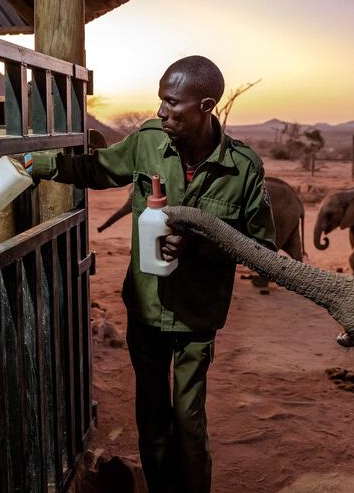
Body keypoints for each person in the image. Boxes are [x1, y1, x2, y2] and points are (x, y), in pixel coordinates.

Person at [27, 55, 276, 493]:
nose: (160, 111)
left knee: (189, 420)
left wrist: (200, 245)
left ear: (205, 105)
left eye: (171, 102)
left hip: (197, 317)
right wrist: (39, 165)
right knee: (152, 419)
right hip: (145, 308)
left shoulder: (244, 168)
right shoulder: (146, 141)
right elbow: (97, 169)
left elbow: (264, 251)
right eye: (160, 100)